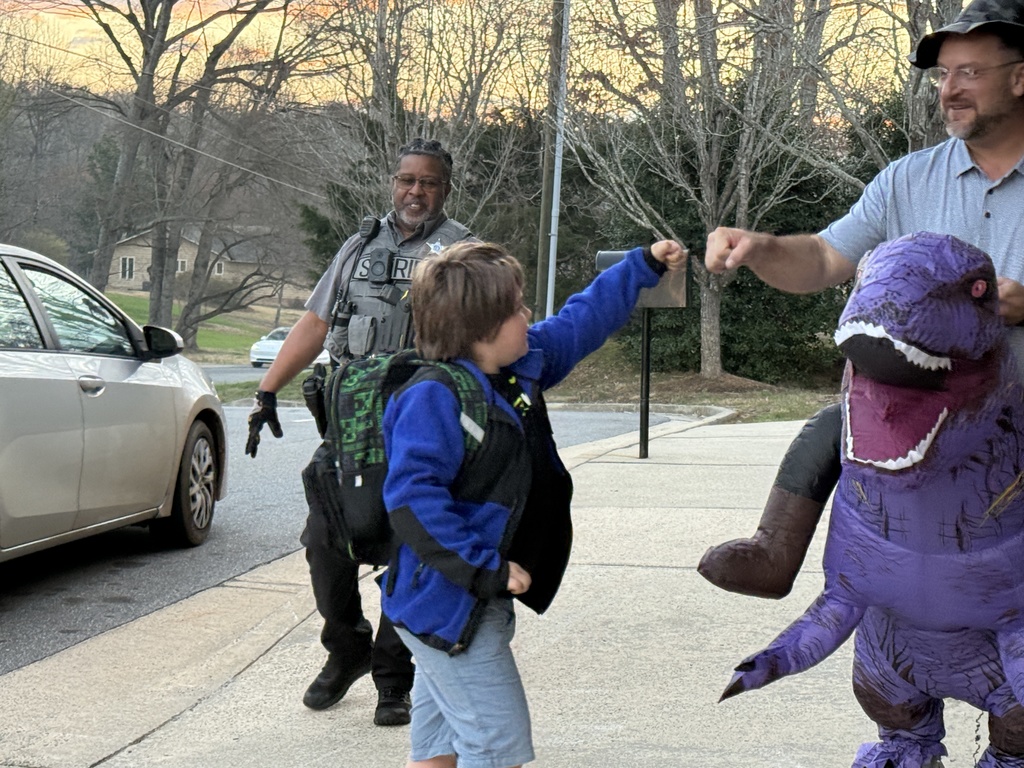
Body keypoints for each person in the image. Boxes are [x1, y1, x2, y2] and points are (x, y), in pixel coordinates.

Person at [698, 0, 1024, 600]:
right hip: (930, 408)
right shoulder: (907, 180)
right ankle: (774, 554)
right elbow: (825, 259)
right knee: (834, 424)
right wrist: (762, 247)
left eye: (968, 73)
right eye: (942, 76)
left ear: (1020, 76)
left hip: (1018, 413)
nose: (948, 90)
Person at [379, 239, 686, 768]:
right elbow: (411, 500)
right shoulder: (434, 396)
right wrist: (485, 569)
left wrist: (643, 266)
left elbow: (581, 320)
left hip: (468, 601)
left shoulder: (520, 370)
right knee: (497, 747)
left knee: (439, 744)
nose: (528, 316)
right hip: (449, 605)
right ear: (480, 330)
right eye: (517, 309)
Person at [245, 138, 475, 725]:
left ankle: (394, 679)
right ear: (393, 183)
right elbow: (317, 323)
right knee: (325, 539)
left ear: (444, 189)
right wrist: (268, 388)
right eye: (406, 180)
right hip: (349, 424)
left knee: (408, 545)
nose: (414, 192)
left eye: (427, 182)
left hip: (421, 422)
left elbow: (486, 342)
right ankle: (345, 650)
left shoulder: (463, 253)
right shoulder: (357, 248)